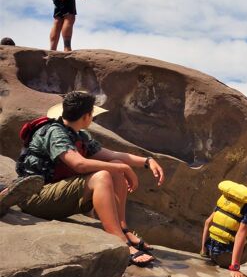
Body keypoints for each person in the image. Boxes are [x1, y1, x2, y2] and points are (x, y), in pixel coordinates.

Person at [16, 90, 165, 266]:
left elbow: (112, 155)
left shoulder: (79, 135)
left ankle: (123, 229)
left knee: (115, 164)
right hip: (35, 197)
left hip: (56, 194)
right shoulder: (55, 133)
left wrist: (147, 161)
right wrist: (123, 167)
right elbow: (78, 164)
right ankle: (119, 243)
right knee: (102, 176)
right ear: (87, 116)